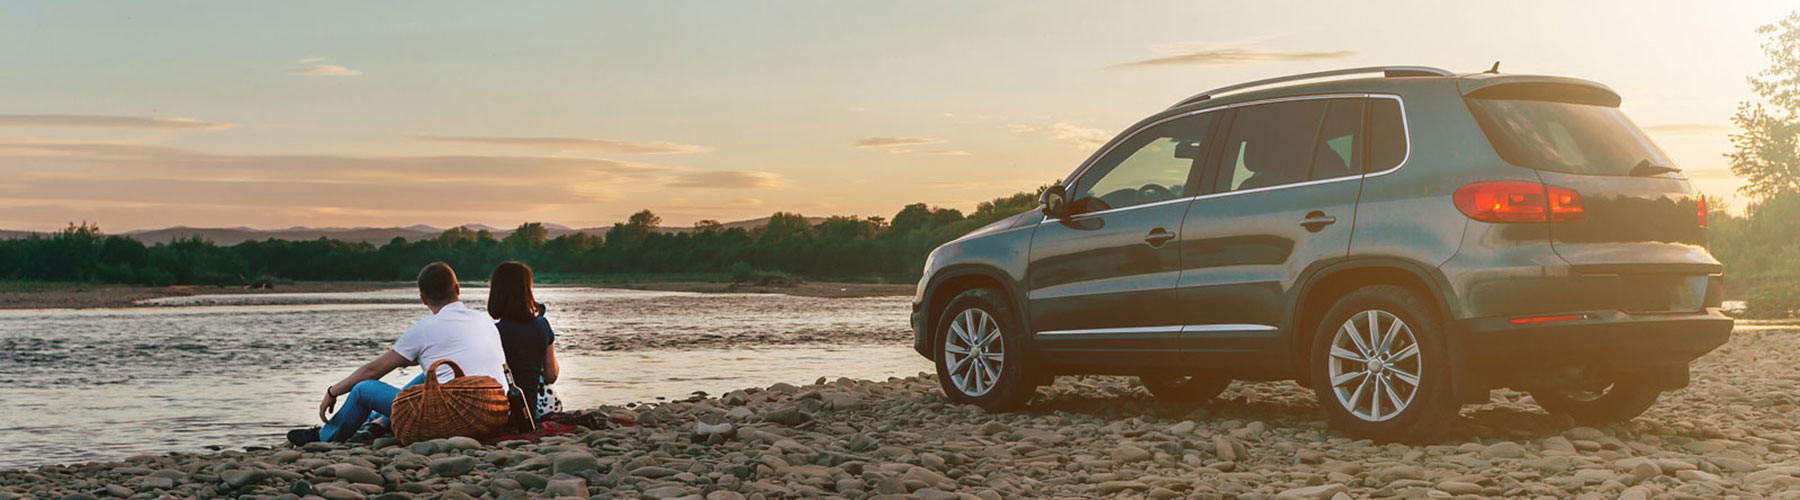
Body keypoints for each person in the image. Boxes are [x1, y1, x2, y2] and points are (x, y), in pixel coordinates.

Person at [287, 262, 510, 445]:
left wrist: (333, 391)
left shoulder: (423, 329)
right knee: (429, 376)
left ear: (423, 299)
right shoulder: (484, 320)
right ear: (458, 289)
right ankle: (379, 422)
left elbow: (373, 370)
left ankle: (325, 436)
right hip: (493, 412)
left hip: (453, 418)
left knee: (363, 389)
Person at [487, 261, 563, 418]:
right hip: (538, 409)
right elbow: (551, 376)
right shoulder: (542, 325)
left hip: (504, 410)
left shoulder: (493, 332)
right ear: (527, 291)